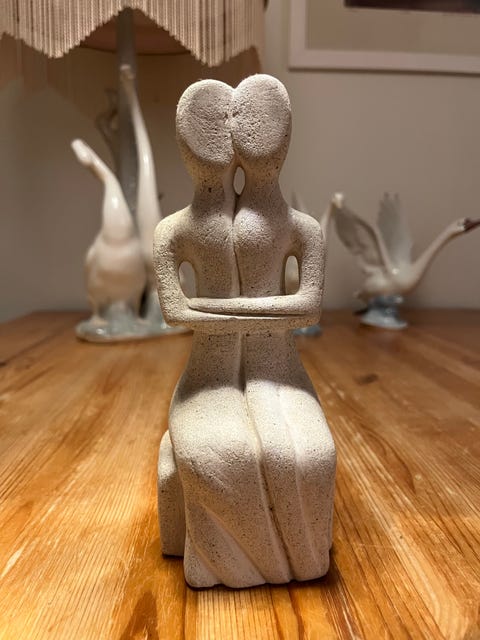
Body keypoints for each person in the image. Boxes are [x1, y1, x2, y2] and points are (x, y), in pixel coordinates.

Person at [155, 76, 336, 588]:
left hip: (279, 373)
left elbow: (308, 309)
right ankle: (220, 562)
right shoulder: (173, 232)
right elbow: (175, 312)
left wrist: (217, 311)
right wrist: (256, 313)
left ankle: (300, 560)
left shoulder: (304, 229)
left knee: (309, 454)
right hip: (207, 378)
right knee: (216, 455)